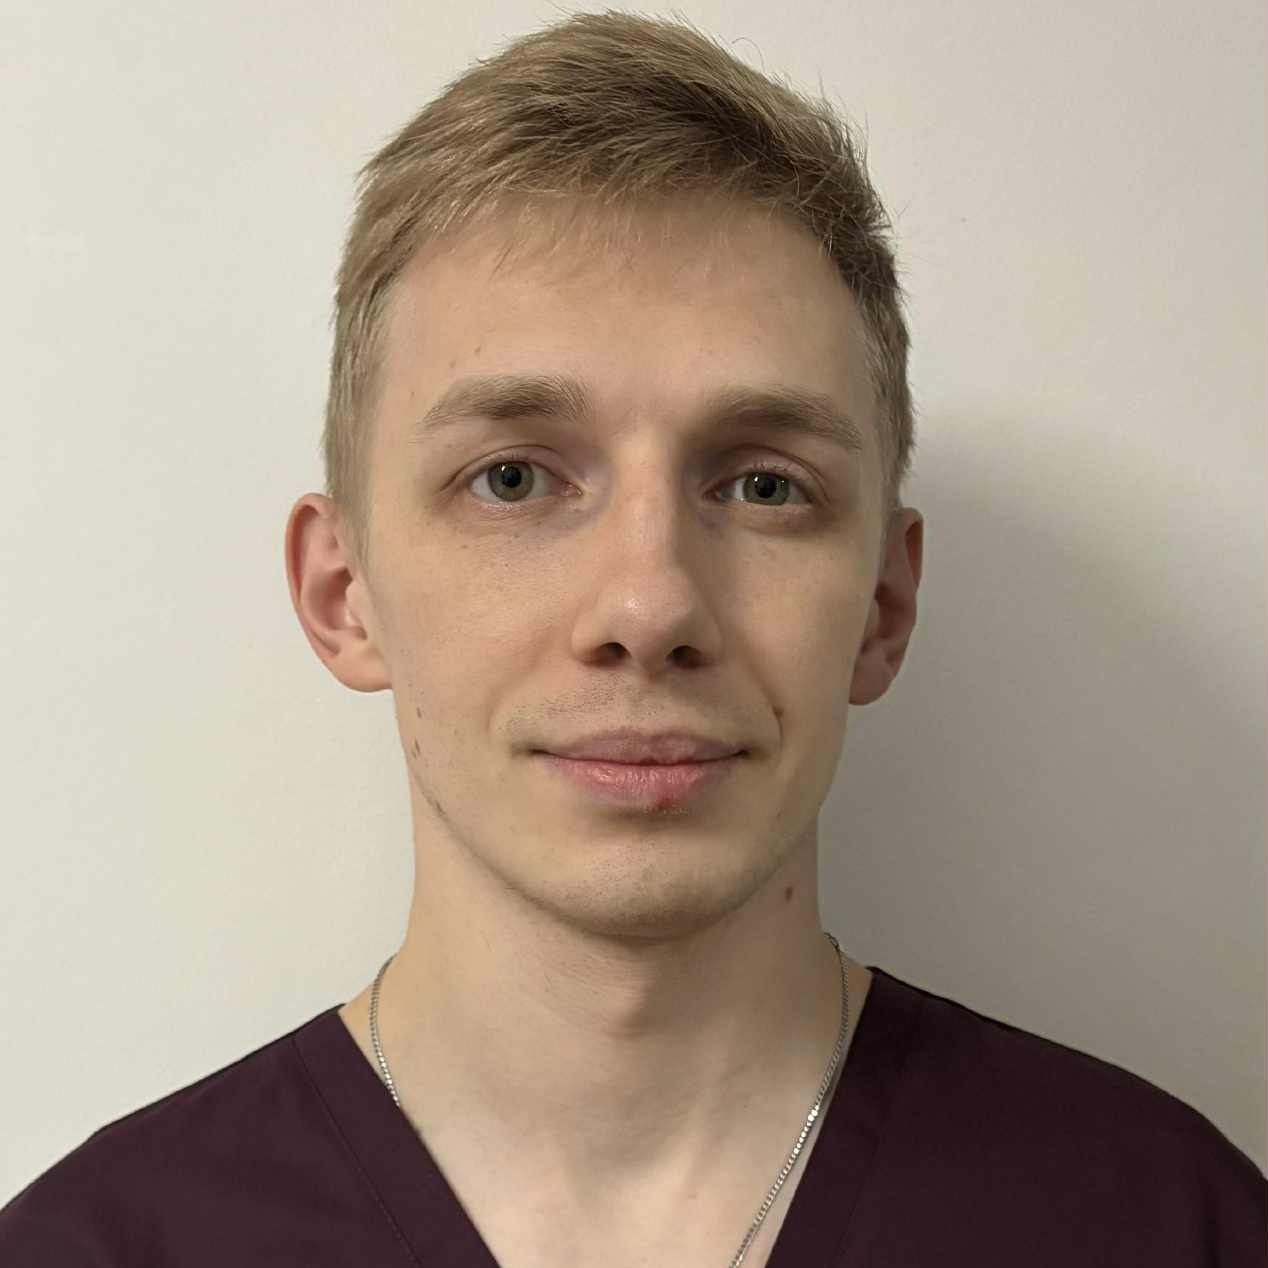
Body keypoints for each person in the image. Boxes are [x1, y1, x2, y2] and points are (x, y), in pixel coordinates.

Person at [2, 10, 1263, 1266]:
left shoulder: (1171, 1226)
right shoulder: (89, 1248)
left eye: (761, 485)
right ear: (343, 593)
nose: (649, 607)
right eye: (511, 478)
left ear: (882, 603)